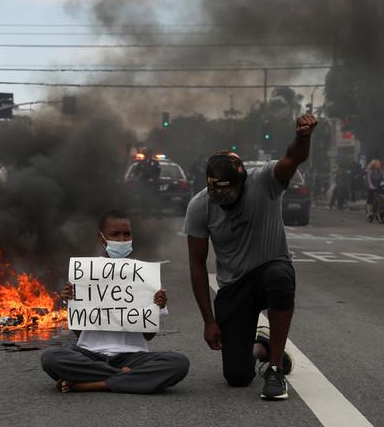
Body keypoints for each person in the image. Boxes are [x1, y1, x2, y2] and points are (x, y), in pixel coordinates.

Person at [184, 114, 317, 401]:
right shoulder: (199, 206)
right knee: (238, 376)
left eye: (230, 195)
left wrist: (303, 137)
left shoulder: (265, 181)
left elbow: (293, 158)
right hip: (233, 286)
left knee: (279, 277)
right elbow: (196, 264)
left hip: (270, 267)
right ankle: (263, 347)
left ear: (243, 179)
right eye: (219, 196)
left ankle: (275, 368)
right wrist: (208, 320)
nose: (225, 203)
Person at [40, 210, 189, 394]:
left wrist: (157, 306)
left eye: (127, 234)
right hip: (90, 354)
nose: (122, 239)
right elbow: (79, 333)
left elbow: (148, 336)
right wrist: (72, 301)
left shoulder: (143, 275)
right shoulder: (86, 274)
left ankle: (93, 383)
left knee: (179, 363)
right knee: (51, 357)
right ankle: (126, 377)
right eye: (115, 234)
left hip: (132, 356)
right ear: (101, 238)